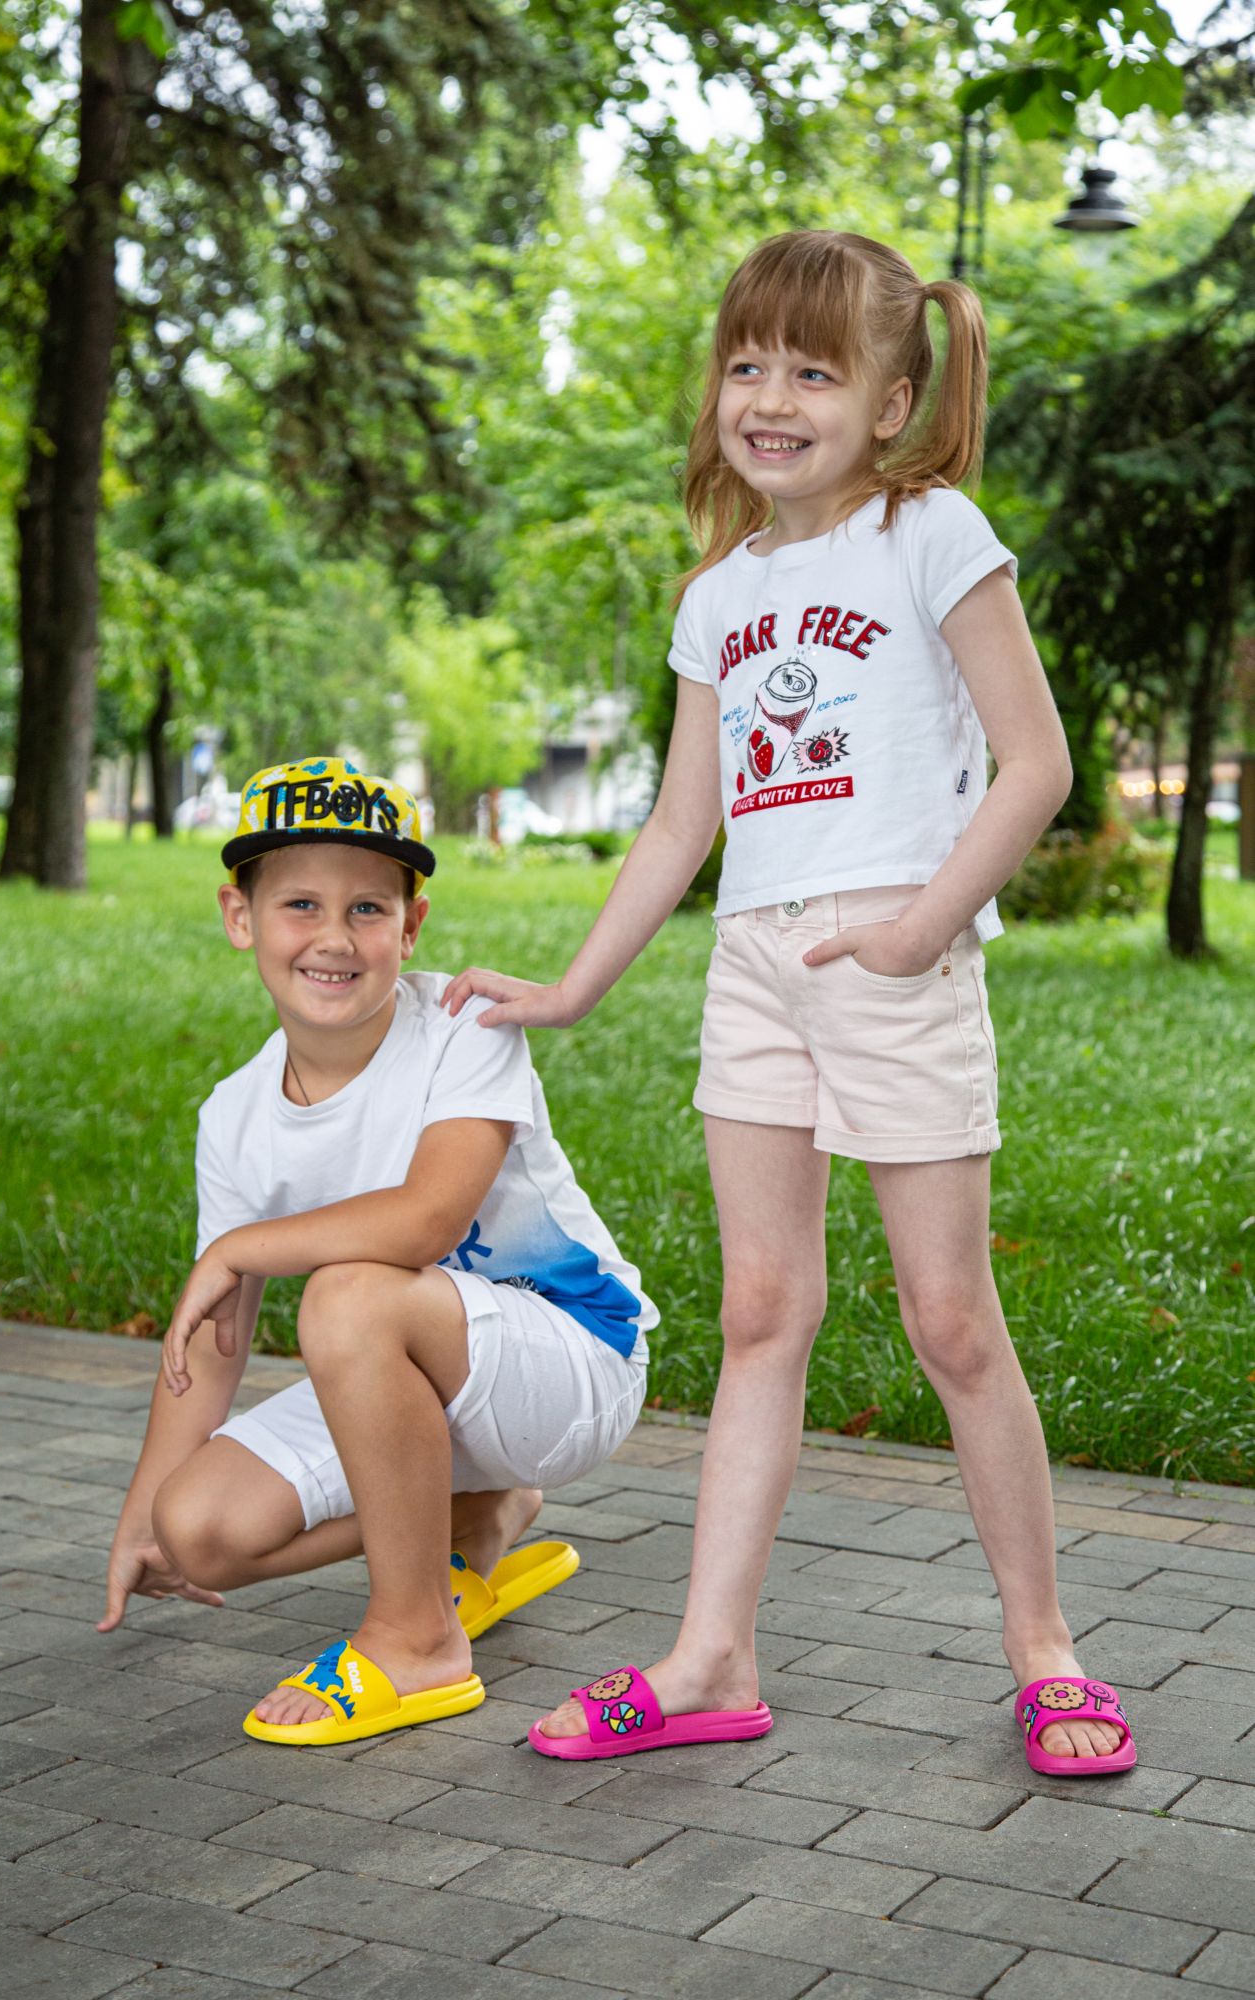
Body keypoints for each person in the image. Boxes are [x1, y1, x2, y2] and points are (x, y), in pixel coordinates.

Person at [443, 231, 1135, 1776]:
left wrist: (920, 928)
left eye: (813, 373)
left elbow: (1036, 763)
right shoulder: (720, 594)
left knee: (951, 1321)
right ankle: (711, 1657)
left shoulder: (930, 533)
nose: (769, 399)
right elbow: (679, 825)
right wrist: (570, 989)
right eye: (746, 364)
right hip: (753, 966)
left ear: (889, 403)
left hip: (892, 954)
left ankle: (1045, 1649)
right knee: (761, 1311)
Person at [98, 759, 653, 1746]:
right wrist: (142, 1513)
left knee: (349, 1293)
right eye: (299, 904)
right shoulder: (233, 1114)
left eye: (367, 908)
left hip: (571, 1357)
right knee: (202, 1528)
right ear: (239, 916)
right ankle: (480, 1516)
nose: (334, 937)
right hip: (421, 1381)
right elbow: (215, 1341)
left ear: (411, 926)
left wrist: (245, 1246)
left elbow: (426, 1221)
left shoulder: (464, 1028)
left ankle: (416, 1636)